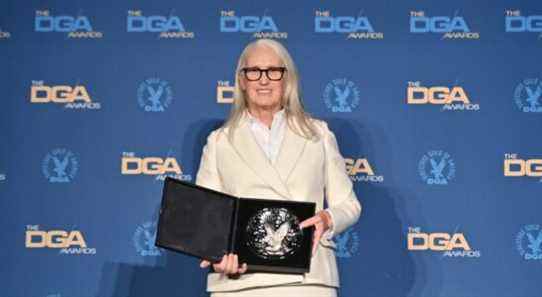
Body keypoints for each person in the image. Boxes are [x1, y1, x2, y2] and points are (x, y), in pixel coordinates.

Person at [196, 38, 361, 297]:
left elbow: (349, 205)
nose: (264, 80)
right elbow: (207, 220)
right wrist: (217, 255)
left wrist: (327, 219)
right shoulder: (219, 142)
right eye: (254, 72)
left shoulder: (319, 134)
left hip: (309, 279)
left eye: (273, 71)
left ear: (287, 80)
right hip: (241, 281)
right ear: (241, 80)